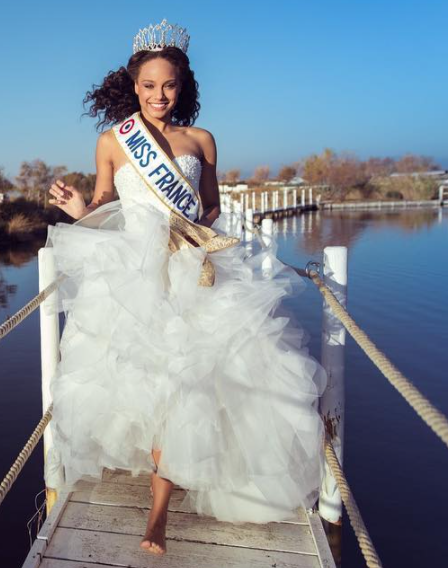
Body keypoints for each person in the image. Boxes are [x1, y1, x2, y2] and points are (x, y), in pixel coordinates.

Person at [43, 20, 327, 556]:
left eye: (169, 85)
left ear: (183, 85)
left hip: (194, 265)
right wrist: (82, 210)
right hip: (137, 274)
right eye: (149, 86)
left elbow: (213, 204)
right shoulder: (113, 140)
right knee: (154, 384)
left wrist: (187, 226)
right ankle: (159, 500)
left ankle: (158, 515)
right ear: (134, 86)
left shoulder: (201, 139)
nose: (158, 96)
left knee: (189, 382)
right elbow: (107, 202)